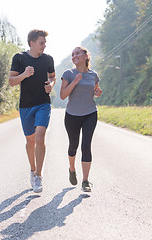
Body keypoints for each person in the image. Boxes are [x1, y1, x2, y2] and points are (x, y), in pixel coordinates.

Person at [9, 29, 56, 193]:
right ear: (32, 43)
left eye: (45, 43)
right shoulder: (19, 58)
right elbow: (11, 82)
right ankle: (32, 169)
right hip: (26, 106)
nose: (44, 46)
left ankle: (38, 176)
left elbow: (52, 76)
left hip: (43, 103)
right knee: (30, 141)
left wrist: (51, 85)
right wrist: (24, 75)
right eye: (42, 43)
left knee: (40, 136)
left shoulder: (48, 59)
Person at [60, 46, 102, 192]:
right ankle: (72, 169)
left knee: (86, 145)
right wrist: (75, 82)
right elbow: (63, 95)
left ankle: (85, 180)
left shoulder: (93, 75)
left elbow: (95, 90)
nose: (74, 56)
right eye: (72, 54)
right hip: (72, 115)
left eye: (78, 53)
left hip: (90, 113)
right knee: (73, 145)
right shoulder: (69, 74)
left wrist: (97, 92)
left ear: (86, 56)